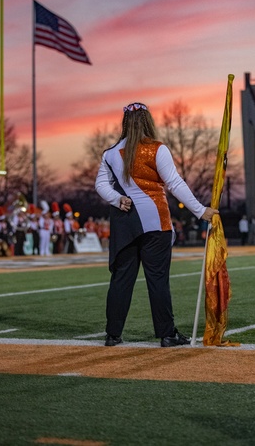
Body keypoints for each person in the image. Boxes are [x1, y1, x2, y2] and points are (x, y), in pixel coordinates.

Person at [95, 102, 218, 347]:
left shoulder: (110, 153)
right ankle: (167, 334)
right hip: (155, 223)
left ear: (125, 123)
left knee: (121, 279)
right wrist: (200, 210)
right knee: (158, 279)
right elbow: (174, 183)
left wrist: (118, 199)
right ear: (148, 121)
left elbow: (100, 185)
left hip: (125, 225)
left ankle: (113, 334)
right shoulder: (157, 149)